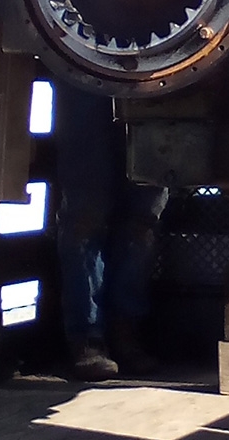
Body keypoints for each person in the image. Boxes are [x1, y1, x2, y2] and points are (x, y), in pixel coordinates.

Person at [55, 81, 168, 381]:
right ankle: (88, 337)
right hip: (85, 73)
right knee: (85, 213)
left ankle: (123, 331)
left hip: (157, 76)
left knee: (142, 216)